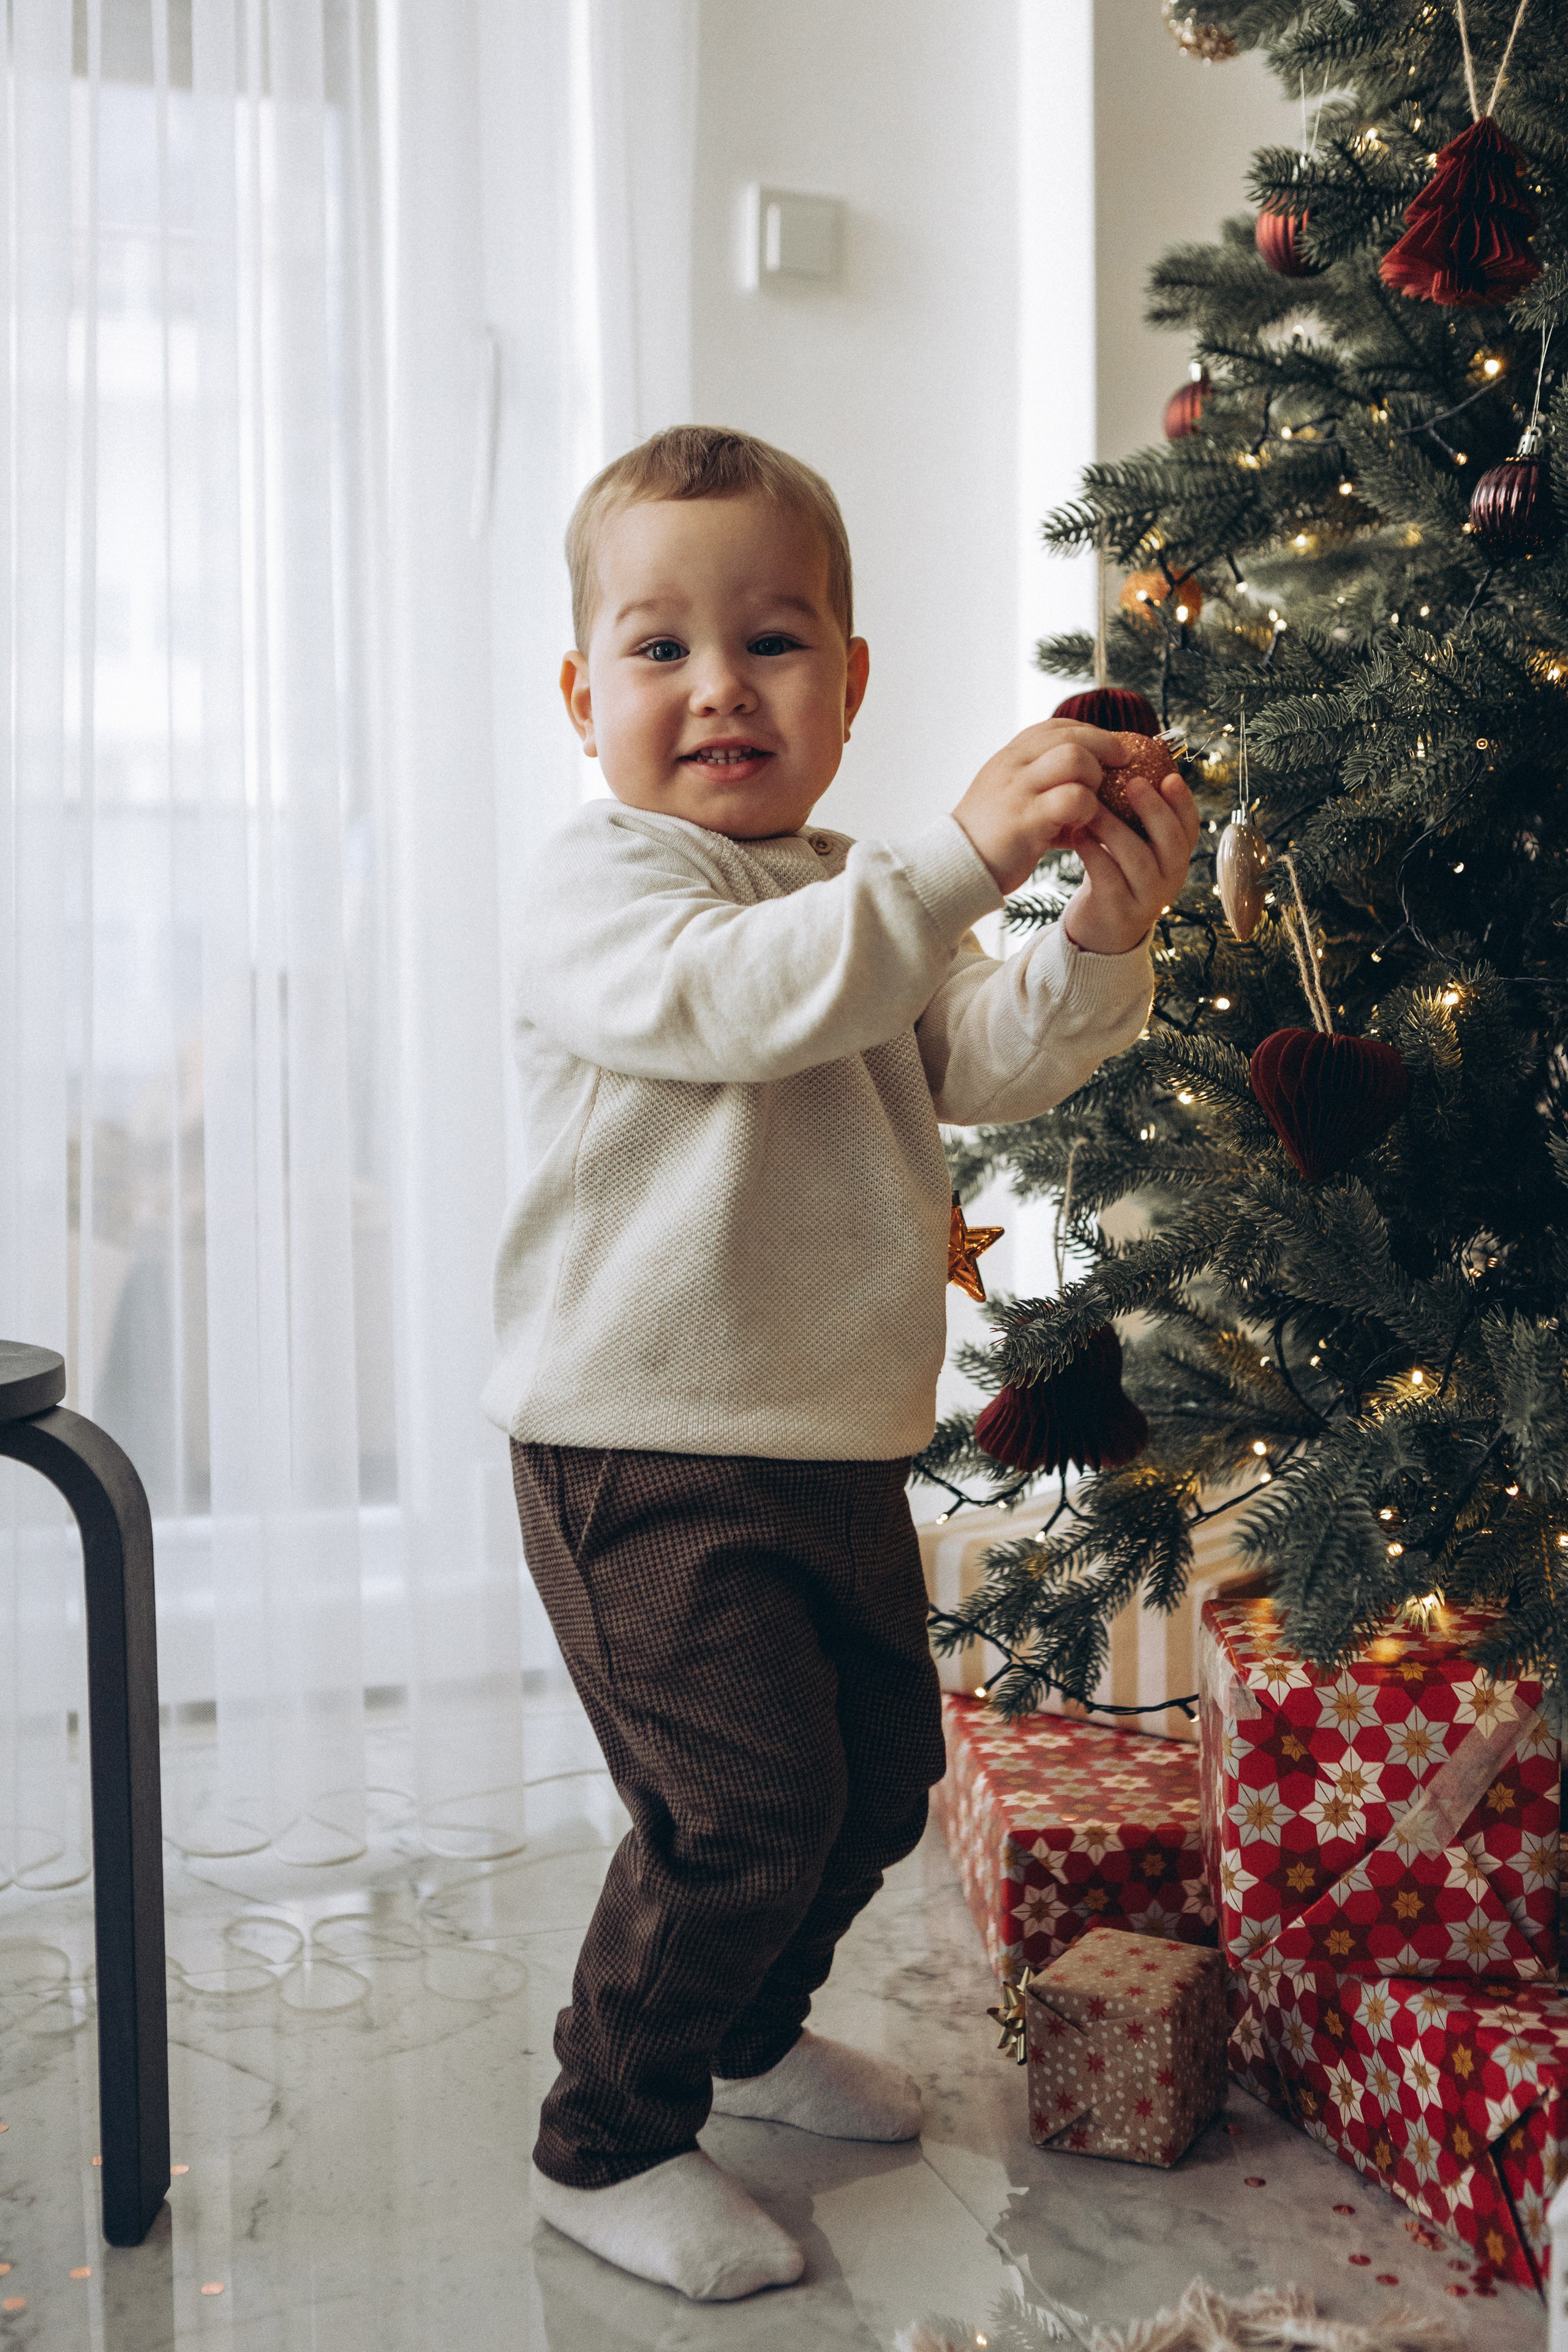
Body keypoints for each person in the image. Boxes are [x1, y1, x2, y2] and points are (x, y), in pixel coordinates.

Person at [484, 426, 1199, 2302]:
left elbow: (975, 1048)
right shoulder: (606, 893)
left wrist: (1100, 928)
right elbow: (753, 996)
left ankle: (748, 2034)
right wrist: (961, 857)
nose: (720, 685)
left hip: (823, 1442)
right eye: (661, 649)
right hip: (635, 1447)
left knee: (880, 1780)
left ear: (852, 682)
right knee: (743, 1812)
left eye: (776, 641)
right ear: (582, 695)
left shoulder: (847, 899)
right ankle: (607, 2135)